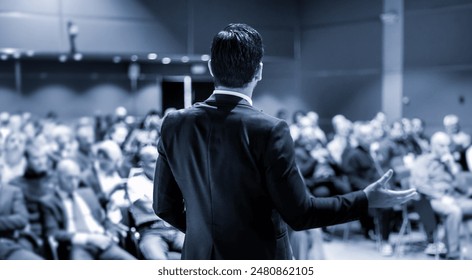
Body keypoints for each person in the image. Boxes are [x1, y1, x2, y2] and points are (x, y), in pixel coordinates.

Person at [153, 23, 416, 260]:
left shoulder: (174, 123)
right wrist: (364, 199)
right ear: (259, 71)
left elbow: (163, 206)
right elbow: (300, 213)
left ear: (211, 67)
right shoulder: (270, 130)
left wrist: (206, 234)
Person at [40, 159, 136, 260]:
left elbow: (103, 219)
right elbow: (53, 233)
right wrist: (88, 239)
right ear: (57, 177)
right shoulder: (49, 202)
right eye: (69, 178)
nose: (74, 182)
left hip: (103, 242)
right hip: (76, 247)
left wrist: (111, 233)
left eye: (76, 178)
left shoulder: (87, 193)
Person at [410, 131, 472, 259]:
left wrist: (453, 168)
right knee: (454, 211)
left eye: (448, 146)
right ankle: (453, 254)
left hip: (453, 197)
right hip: (431, 200)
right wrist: (441, 197)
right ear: (433, 146)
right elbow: (420, 185)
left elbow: (463, 188)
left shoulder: (449, 163)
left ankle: (445, 243)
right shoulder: (423, 161)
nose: (446, 149)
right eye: (442, 146)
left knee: (460, 208)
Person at [127, 145, 184, 259]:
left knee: (203, 253)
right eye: (153, 161)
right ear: (141, 163)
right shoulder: (134, 182)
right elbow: (149, 208)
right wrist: (174, 205)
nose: (159, 164)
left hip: (176, 229)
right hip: (151, 232)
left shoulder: (172, 179)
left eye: (160, 159)